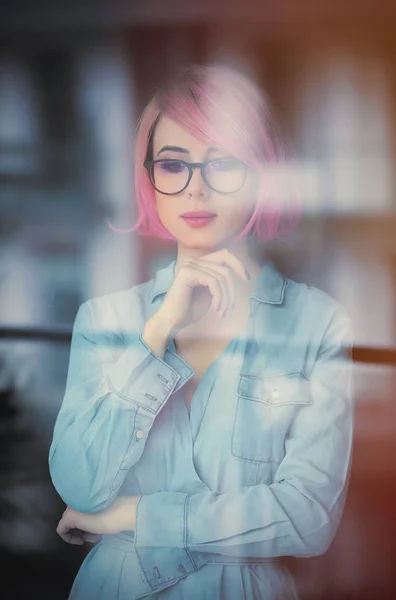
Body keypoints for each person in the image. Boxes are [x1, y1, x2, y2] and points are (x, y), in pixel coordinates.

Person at [48, 63, 354, 600]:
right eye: (173, 165)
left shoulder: (317, 322)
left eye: (223, 165)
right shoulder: (106, 319)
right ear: (150, 178)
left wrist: (134, 516)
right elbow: (77, 484)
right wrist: (158, 333)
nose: (196, 189)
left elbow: (309, 519)